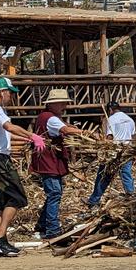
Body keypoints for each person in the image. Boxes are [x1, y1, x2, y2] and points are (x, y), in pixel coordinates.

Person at [0, 77, 45, 258]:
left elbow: (4, 133)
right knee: (17, 197)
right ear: (2, 92)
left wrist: (26, 139)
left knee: (3, 200)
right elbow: (9, 127)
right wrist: (32, 136)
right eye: (10, 93)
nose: (11, 97)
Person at [30, 89, 85, 239]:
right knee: (54, 193)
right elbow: (65, 130)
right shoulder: (51, 118)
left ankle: (42, 224)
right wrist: (85, 134)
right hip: (49, 161)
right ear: (53, 104)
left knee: (52, 194)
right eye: (62, 103)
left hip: (48, 161)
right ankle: (52, 230)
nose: (64, 106)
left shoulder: (45, 116)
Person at [88, 101, 136, 207]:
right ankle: (132, 196)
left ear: (110, 110)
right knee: (126, 174)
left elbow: (109, 138)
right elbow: (133, 137)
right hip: (127, 151)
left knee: (103, 176)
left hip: (114, 152)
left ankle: (94, 200)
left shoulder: (110, 120)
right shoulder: (130, 119)